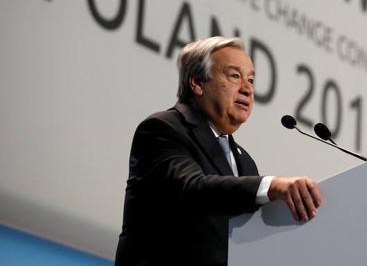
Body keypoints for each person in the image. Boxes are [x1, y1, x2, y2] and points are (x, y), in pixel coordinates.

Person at [115, 36, 322, 266]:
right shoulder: (162, 129)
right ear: (197, 82)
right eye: (234, 76)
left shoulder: (245, 162)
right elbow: (193, 190)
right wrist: (271, 186)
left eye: (251, 80)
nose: (247, 89)